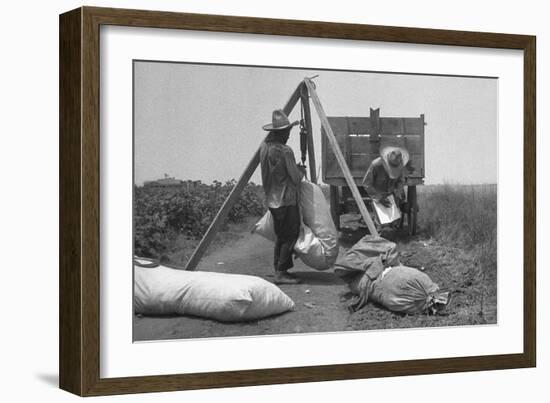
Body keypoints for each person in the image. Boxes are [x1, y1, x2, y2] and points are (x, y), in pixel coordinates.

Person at [260, 109, 305, 285]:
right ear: (281, 133)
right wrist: (301, 171)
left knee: (281, 234)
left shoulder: (264, 149)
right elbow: (294, 177)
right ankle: (281, 272)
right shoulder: (285, 151)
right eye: (287, 132)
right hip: (286, 199)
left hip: (272, 199)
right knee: (291, 234)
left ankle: (279, 268)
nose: (288, 135)